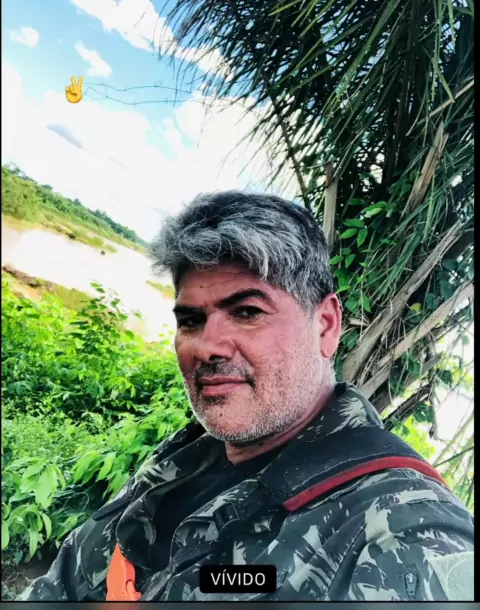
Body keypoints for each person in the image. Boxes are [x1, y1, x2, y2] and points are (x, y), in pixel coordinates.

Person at [19, 192, 473, 602]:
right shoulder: (182, 460)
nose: (207, 347)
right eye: (191, 321)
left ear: (326, 326)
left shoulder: (402, 531)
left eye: (247, 312)